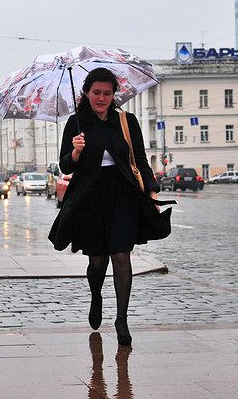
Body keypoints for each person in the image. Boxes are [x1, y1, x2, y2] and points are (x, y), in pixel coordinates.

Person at [48, 68, 159, 346]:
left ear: (114, 94)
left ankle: (122, 318)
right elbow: (65, 165)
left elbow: (140, 160)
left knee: (121, 255)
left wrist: (153, 192)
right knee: (97, 261)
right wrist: (76, 150)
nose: (101, 98)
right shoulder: (76, 123)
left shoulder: (126, 121)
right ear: (86, 92)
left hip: (123, 193)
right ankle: (96, 295)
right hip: (90, 196)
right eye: (96, 92)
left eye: (107, 93)